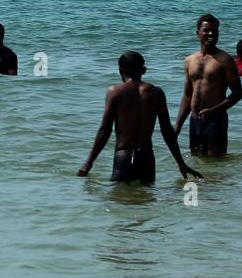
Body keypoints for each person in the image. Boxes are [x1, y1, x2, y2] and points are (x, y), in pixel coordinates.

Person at [78, 51, 201, 182]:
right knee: (146, 199)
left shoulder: (114, 92)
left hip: (123, 157)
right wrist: (181, 163)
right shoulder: (156, 93)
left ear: (120, 71)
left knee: (119, 199)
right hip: (146, 159)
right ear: (144, 70)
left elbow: (105, 130)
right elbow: (167, 132)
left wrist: (89, 163)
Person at [174, 14, 241, 156]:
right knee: (196, 159)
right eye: (206, 30)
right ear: (198, 33)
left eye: (215, 31)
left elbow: (237, 93)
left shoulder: (225, 60)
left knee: (215, 162)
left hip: (216, 120)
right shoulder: (189, 60)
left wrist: (214, 110)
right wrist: (178, 125)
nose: (211, 34)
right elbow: (187, 94)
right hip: (195, 119)